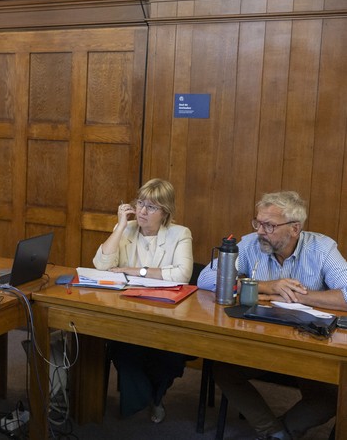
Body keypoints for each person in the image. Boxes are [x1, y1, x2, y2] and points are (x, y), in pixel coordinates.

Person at [198, 191, 346, 439]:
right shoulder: (251, 243)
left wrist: (298, 295)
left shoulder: (322, 248)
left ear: (294, 228)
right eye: (258, 222)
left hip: (307, 344)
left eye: (269, 225)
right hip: (259, 339)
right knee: (223, 368)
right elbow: (206, 278)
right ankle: (273, 431)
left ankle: (282, 431)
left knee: (331, 397)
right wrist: (268, 286)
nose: (260, 231)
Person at [92, 178, 193, 423]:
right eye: (140, 203)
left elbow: (181, 275)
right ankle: (150, 399)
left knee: (169, 357)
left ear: (165, 212)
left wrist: (137, 271)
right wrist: (119, 226)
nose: (142, 211)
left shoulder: (179, 234)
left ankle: (155, 398)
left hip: (166, 313)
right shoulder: (127, 229)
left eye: (151, 207)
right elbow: (101, 265)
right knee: (123, 350)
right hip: (127, 310)